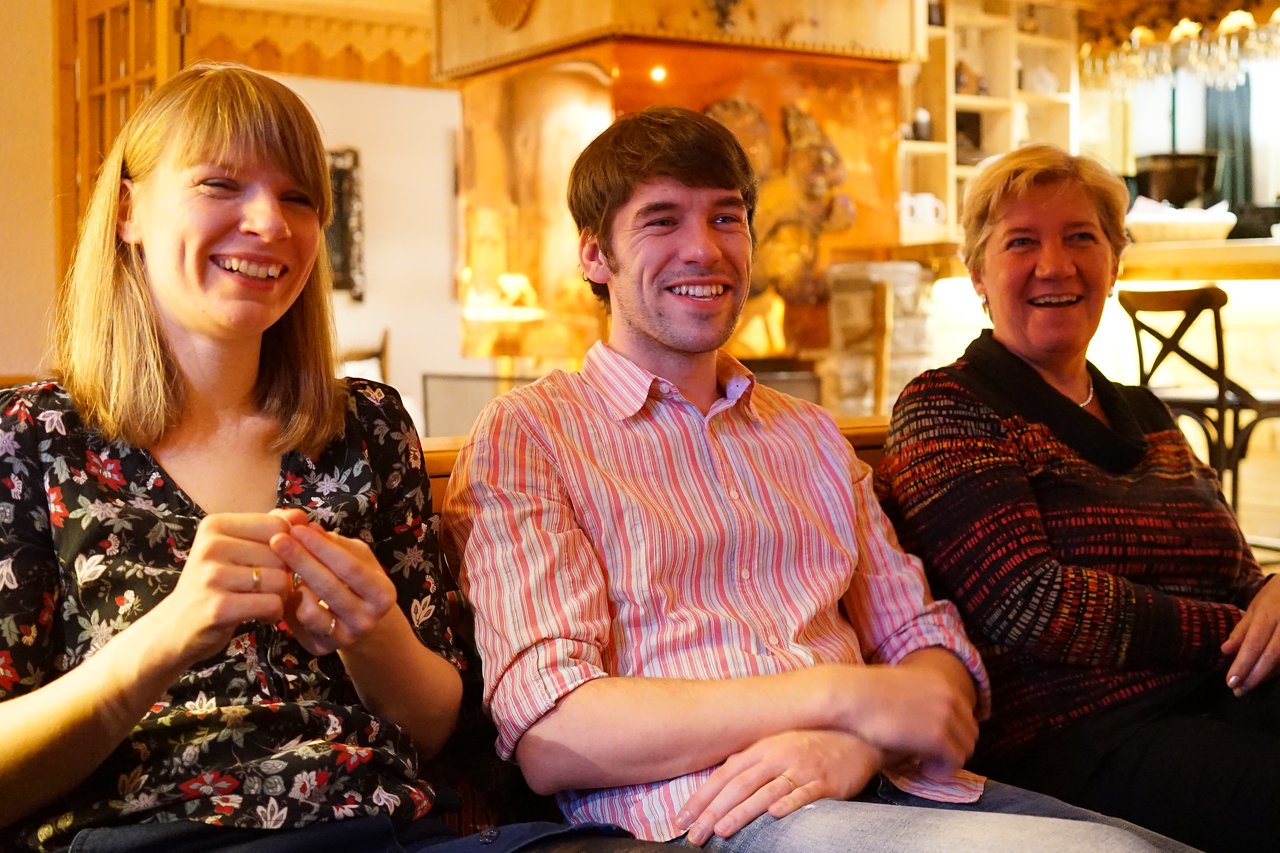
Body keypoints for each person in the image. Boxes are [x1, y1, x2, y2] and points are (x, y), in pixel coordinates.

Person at [443, 107, 1189, 852]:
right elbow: (553, 733)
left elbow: (931, 660)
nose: (703, 249)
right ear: (594, 255)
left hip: (892, 783)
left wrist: (854, 744)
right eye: (661, 221)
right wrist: (840, 697)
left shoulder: (808, 434)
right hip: (713, 816)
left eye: (727, 219)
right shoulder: (531, 432)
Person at [0, 62, 662, 853]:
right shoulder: (32, 436)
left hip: (389, 829)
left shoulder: (366, 425)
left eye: (298, 198)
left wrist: (373, 629)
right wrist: (166, 635)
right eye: (221, 184)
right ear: (129, 210)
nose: (268, 223)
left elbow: (440, 728)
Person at [876, 142, 1280, 852]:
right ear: (977, 273)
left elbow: (1236, 573)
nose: (1054, 265)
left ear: (1115, 262)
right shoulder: (947, 405)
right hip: (1075, 738)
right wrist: (1232, 629)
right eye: (1021, 242)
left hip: (1217, 696)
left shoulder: (1146, 412)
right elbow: (1030, 602)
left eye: (1080, 237)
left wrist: (1272, 593)